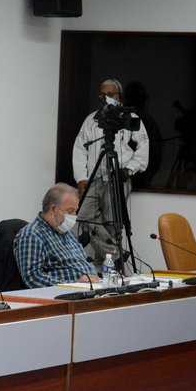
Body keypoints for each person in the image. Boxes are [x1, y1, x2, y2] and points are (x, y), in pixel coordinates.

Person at [72, 79, 149, 268]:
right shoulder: (91, 120)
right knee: (83, 217)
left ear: (119, 96)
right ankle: (115, 255)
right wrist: (81, 178)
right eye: (103, 94)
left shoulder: (128, 118)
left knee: (111, 223)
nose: (107, 97)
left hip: (117, 176)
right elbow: (80, 149)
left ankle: (105, 268)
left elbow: (143, 146)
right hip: (94, 177)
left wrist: (129, 169)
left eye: (111, 94)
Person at [14, 183, 100, 288]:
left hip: (90, 290)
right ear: (54, 210)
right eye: (70, 211)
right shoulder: (31, 235)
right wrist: (73, 285)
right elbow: (32, 277)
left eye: (75, 211)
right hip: (65, 297)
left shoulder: (66, 232)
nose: (74, 216)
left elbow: (82, 264)